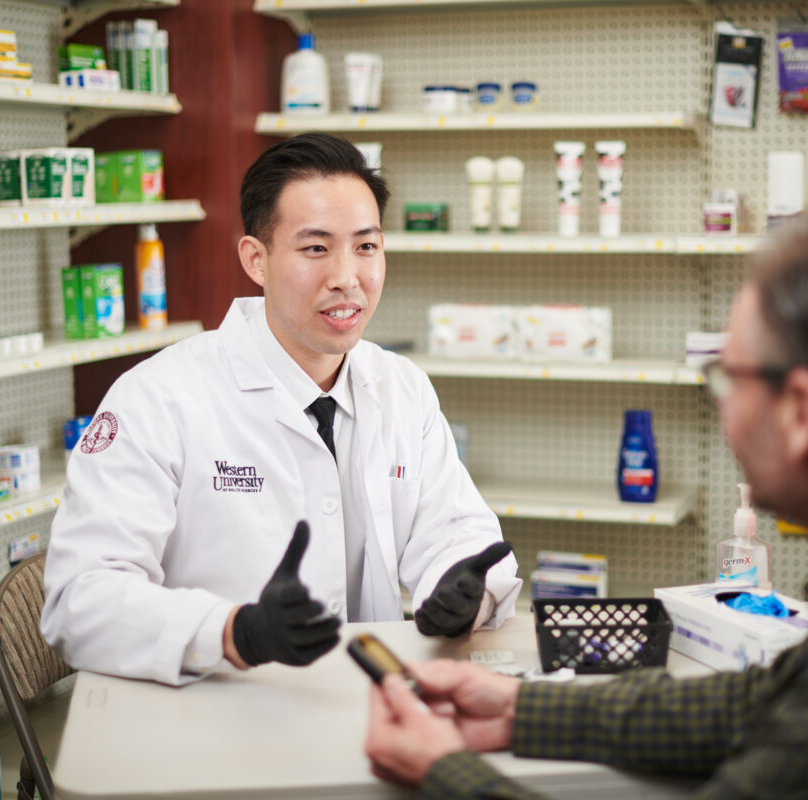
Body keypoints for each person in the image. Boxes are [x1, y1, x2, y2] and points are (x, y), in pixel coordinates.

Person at [363, 211, 808, 798]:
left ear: (802, 412)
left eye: (729, 376)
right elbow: (769, 703)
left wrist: (443, 770)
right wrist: (524, 707)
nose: (722, 410)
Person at [41, 133, 521, 685]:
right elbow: (80, 601)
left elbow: (456, 531)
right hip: (214, 716)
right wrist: (233, 632)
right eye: (315, 248)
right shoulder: (157, 398)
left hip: (371, 706)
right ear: (256, 260)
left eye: (366, 247)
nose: (347, 277)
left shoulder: (401, 388)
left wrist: (466, 590)